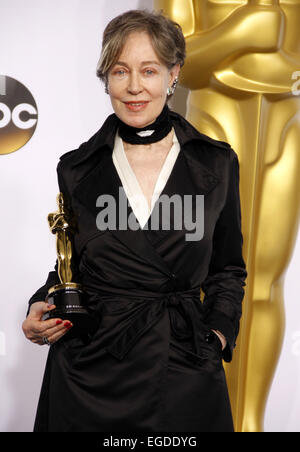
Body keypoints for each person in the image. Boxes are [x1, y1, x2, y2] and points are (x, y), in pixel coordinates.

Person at [22, 9, 247, 432]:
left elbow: (228, 269)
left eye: (149, 70)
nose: (134, 86)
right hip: (90, 371)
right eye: (120, 71)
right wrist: (42, 302)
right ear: (106, 78)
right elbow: (73, 263)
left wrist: (215, 334)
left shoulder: (215, 163)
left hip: (182, 366)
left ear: (173, 74)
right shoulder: (76, 167)